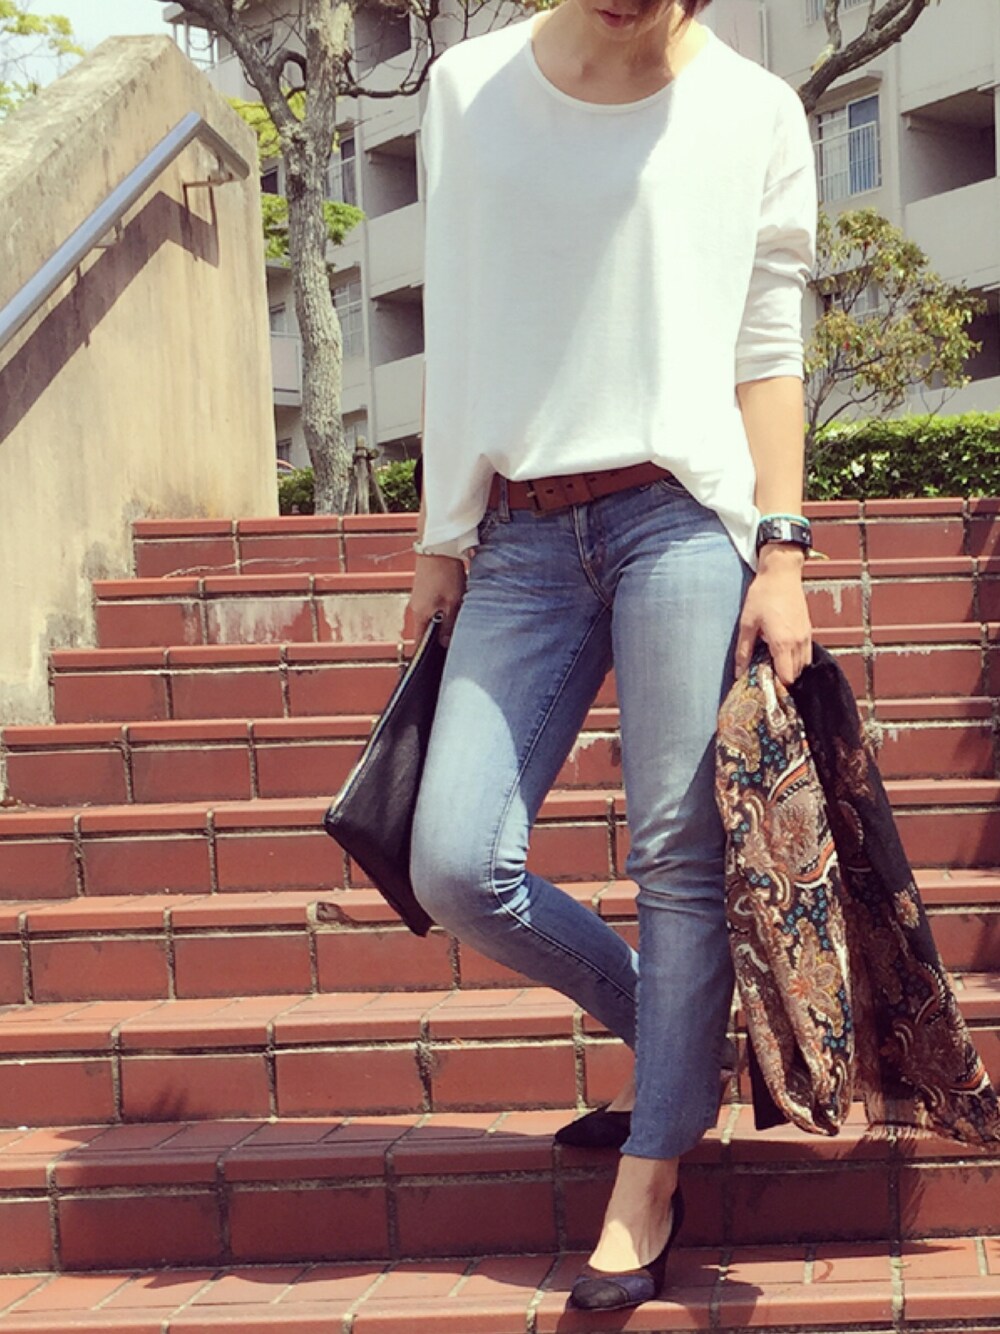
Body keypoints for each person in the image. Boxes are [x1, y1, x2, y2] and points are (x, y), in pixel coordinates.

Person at [407, 0, 817, 1311]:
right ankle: (667, 1025)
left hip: (682, 521)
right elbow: (458, 320)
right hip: (521, 532)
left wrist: (782, 554)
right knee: (453, 858)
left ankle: (652, 1172)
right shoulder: (469, 89)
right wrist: (441, 536)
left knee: (676, 855)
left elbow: (768, 348)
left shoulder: (754, 111)